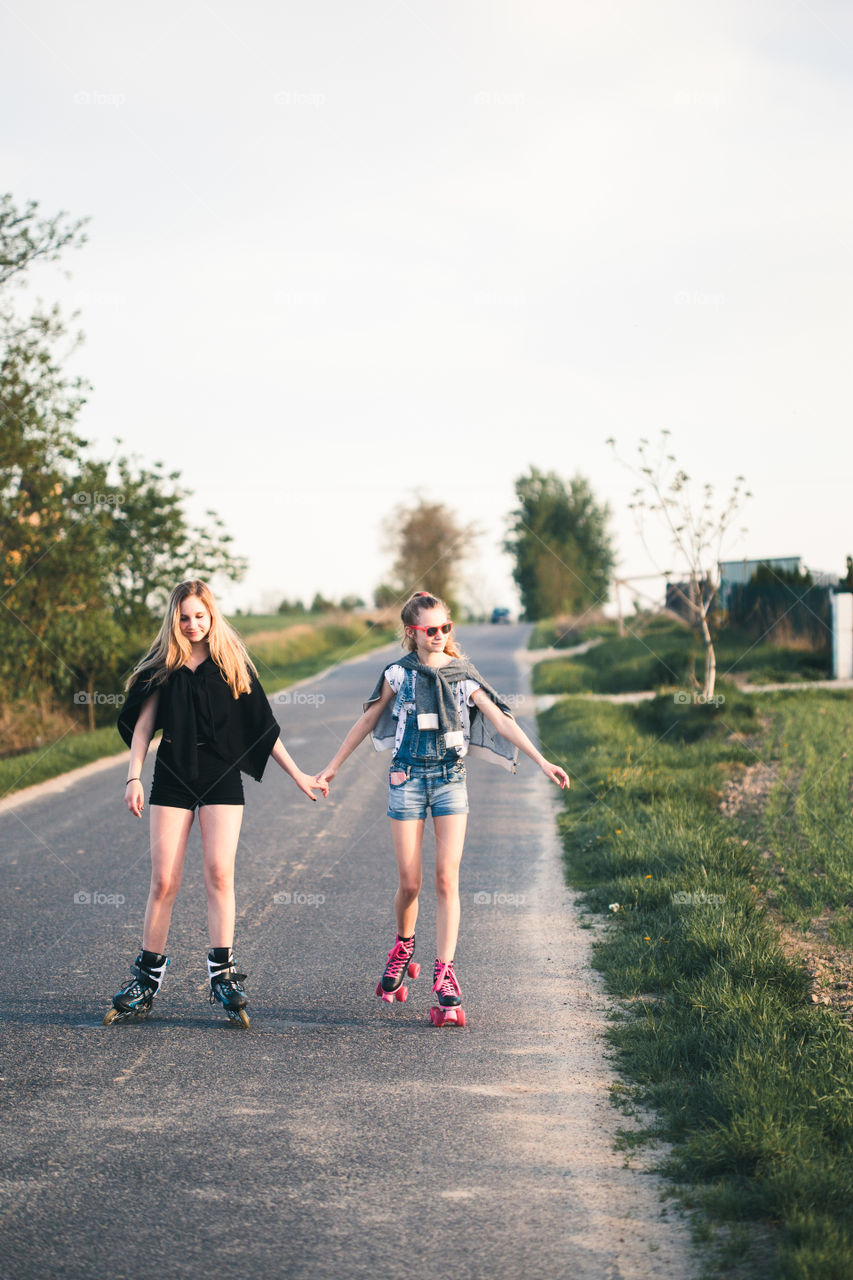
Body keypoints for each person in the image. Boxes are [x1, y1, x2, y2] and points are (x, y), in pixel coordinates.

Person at [316, 591, 568, 1026]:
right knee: (411, 883)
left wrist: (542, 761)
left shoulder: (462, 675)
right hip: (406, 780)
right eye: (430, 630)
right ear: (411, 633)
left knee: (446, 878)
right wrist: (333, 766)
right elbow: (368, 719)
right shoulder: (397, 674)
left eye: (445, 628)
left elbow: (502, 719)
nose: (439, 636)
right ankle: (403, 945)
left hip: (451, 780)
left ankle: (445, 974)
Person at [106, 578, 328, 1028]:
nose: (192, 625)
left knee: (219, 875)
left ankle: (223, 975)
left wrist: (299, 775)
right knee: (164, 880)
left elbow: (265, 728)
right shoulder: (161, 666)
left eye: (200, 616)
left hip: (221, 777)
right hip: (171, 776)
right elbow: (145, 727)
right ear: (175, 619)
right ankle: (146, 980)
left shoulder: (232, 664)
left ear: (212, 616)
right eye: (184, 617)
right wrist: (133, 776)